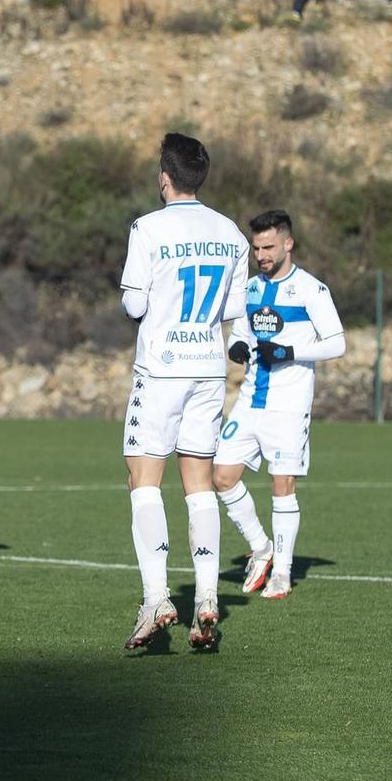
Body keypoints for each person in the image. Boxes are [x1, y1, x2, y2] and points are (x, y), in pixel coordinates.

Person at [120, 133, 249, 652]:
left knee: (143, 478)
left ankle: (157, 598)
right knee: (198, 483)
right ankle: (207, 599)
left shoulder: (147, 227)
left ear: (165, 178)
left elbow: (133, 306)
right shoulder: (231, 234)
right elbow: (236, 318)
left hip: (162, 368)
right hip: (207, 369)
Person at [213, 210, 345, 602]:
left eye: (268, 247)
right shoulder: (251, 289)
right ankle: (261, 546)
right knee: (221, 476)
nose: (261, 255)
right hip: (251, 400)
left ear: (288, 243)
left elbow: (337, 342)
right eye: (256, 248)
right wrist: (236, 345)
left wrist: (291, 350)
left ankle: (282, 573)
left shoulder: (311, 290)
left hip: (289, 405)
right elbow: (240, 332)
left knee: (282, 485)